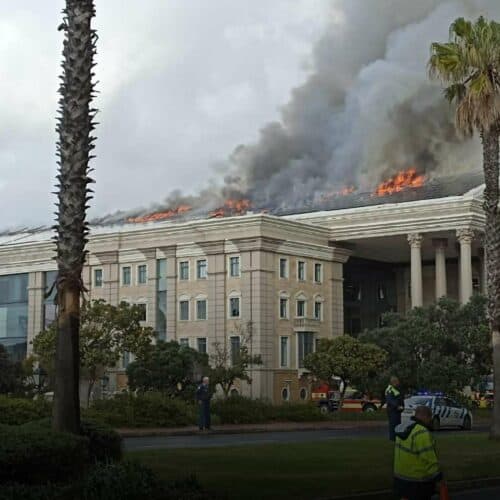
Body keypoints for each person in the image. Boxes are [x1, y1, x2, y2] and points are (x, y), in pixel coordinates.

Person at [393, 405, 443, 500]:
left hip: (400, 479)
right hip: (417, 482)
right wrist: (438, 478)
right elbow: (429, 459)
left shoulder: (404, 428)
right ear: (425, 416)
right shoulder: (422, 432)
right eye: (430, 418)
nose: (430, 421)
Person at [385, 376, 404, 441]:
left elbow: (398, 398)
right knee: (393, 425)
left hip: (396, 410)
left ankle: (396, 438)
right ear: (394, 382)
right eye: (397, 381)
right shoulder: (390, 389)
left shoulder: (394, 389)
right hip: (393, 410)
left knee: (397, 425)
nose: (399, 383)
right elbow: (390, 400)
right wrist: (397, 406)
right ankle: (393, 439)